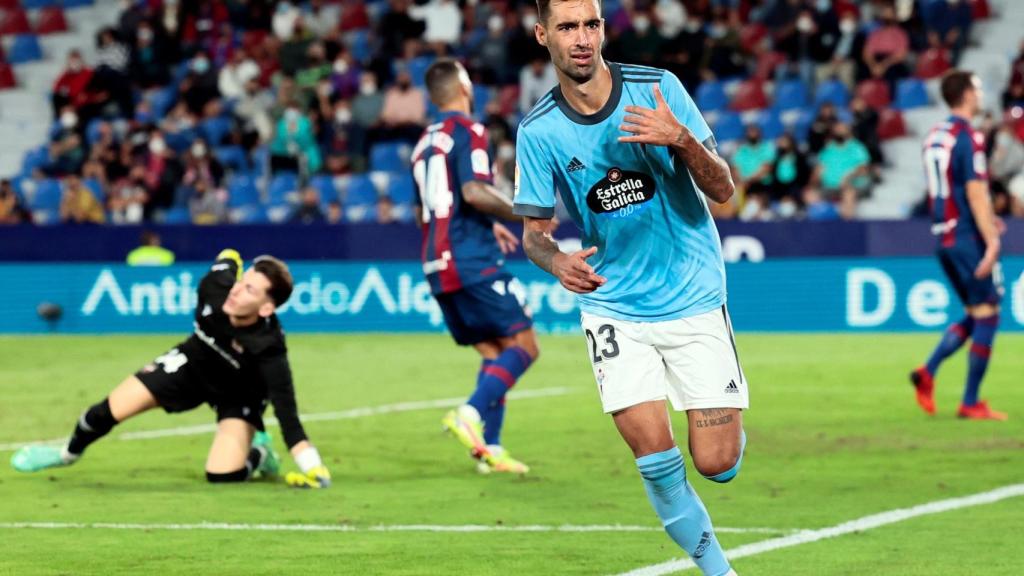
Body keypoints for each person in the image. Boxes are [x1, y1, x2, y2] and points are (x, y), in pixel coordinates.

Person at [513, 2, 744, 575]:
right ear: (544, 36)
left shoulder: (658, 89)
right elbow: (534, 236)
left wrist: (683, 140)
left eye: (591, 24)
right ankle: (721, 571)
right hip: (613, 306)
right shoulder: (538, 131)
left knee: (716, 462)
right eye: (568, 27)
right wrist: (556, 261)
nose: (583, 38)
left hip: (691, 294)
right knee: (656, 461)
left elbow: (724, 190)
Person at [11, 251, 333, 488]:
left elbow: (289, 418)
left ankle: (260, 454)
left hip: (239, 392)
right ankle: (65, 454)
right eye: (242, 281)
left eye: (249, 290)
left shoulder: (269, 348)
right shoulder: (216, 287)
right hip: (192, 364)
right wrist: (232, 260)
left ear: (266, 308)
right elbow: (227, 260)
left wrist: (313, 467)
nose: (237, 290)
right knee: (106, 411)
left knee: (222, 476)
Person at [412, 58, 541, 475]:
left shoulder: (423, 144)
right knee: (524, 346)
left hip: (436, 259)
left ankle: (491, 450)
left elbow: (428, 212)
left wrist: (488, 225)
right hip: (471, 258)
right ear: (464, 87)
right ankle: (469, 415)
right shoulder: (471, 131)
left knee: (493, 351)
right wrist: (524, 215)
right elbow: (474, 190)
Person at [911, 70, 1006, 421]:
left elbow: (949, 189)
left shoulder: (936, 135)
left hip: (943, 236)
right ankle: (969, 401)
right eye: (978, 88)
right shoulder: (970, 137)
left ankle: (928, 372)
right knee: (989, 314)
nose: (981, 95)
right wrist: (992, 240)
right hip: (967, 237)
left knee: (975, 312)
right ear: (966, 94)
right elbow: (975, 191)